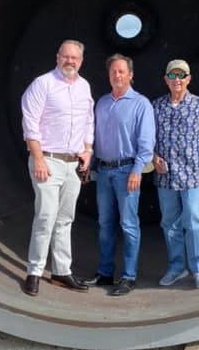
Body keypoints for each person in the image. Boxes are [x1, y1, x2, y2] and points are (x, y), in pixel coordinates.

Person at [20, 40, 94, 296]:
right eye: (66, 56)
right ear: (57, 57)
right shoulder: (43, 84)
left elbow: (88, 121)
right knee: (45, 217)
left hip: (73, 163)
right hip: (48, 161)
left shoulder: (84, 87)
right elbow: (30, 123)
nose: (70, 61)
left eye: (75, 58)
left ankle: (62, 271)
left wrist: (88, 151)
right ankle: (35, 271)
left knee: (65, 219)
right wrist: (38, 158)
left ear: (81, 61)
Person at [88, 54, 156, 296]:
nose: (117, 75)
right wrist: (90, 166)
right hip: (103, 171)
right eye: (113, 72)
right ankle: (105, 273)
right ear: (108, 75)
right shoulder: (103, 102)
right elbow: (94, 137)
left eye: (121, 71)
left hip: (127, 171)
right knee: (105, 224)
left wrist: (137, 170)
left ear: (130, 75)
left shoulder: (141, 104)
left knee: (128, 224)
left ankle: (128, 276)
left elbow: (146, 143)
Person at [152, 58, 199, 288]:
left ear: (189, 78)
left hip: (192, 176)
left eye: (181, 75)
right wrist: (153, 158)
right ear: (166, 79)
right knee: (169, 223)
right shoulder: (156, 107)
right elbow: (145, 140)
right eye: (172, 76)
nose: (177, 80)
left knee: (193, 221)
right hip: (165, 178)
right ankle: (176, 267)